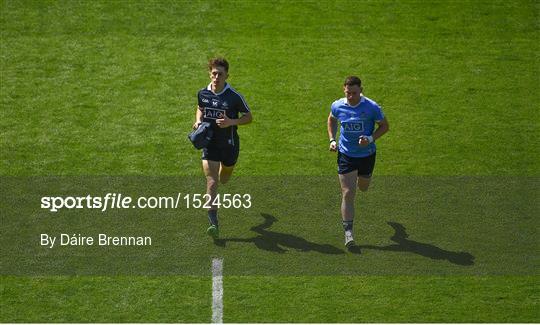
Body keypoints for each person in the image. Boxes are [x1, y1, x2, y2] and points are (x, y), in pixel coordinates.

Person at [193, 57, 253, 239]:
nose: (216, 77)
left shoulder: (234, 97)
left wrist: (231, 122)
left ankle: (225, 171)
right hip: (210, 144)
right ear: (209, 74)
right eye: (214, 73)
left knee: (224, 178)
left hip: (229, 145)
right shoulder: (203, 93)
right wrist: (197, 121)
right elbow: (200, 107)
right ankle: (213, 223)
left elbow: (249, 117)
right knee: (212, 182)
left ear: (227, 75)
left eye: (220, 74)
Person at [327, 76, 389, 248]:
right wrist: (332, 139)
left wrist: (370, 138)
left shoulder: (372, 107)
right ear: (343, 90)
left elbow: (384, 126)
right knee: (347, 192)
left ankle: (360, 181)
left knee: (363, 187)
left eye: (354, 93)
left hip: (366, 156)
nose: (351, 96)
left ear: (361, 90)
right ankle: (348, 234)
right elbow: (331, 119)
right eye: (348, 93)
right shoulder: (338, 105)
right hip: (346, 154)